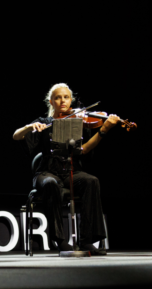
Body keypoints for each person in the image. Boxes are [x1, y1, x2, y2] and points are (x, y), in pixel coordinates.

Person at [12, 83, 119, 255]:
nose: (62, 100)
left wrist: (103, 131)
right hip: (46, 171)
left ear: (71, 100)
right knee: (50, 184)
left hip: (71, 170)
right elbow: (16, 135)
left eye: (66, 97)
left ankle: (87, 241)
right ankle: (60, 240)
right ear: (51, 102)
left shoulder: (78, 122)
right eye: (58, 97)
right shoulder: (44, 122)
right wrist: (29, 127)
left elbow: (83, 150)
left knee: (91, 181)